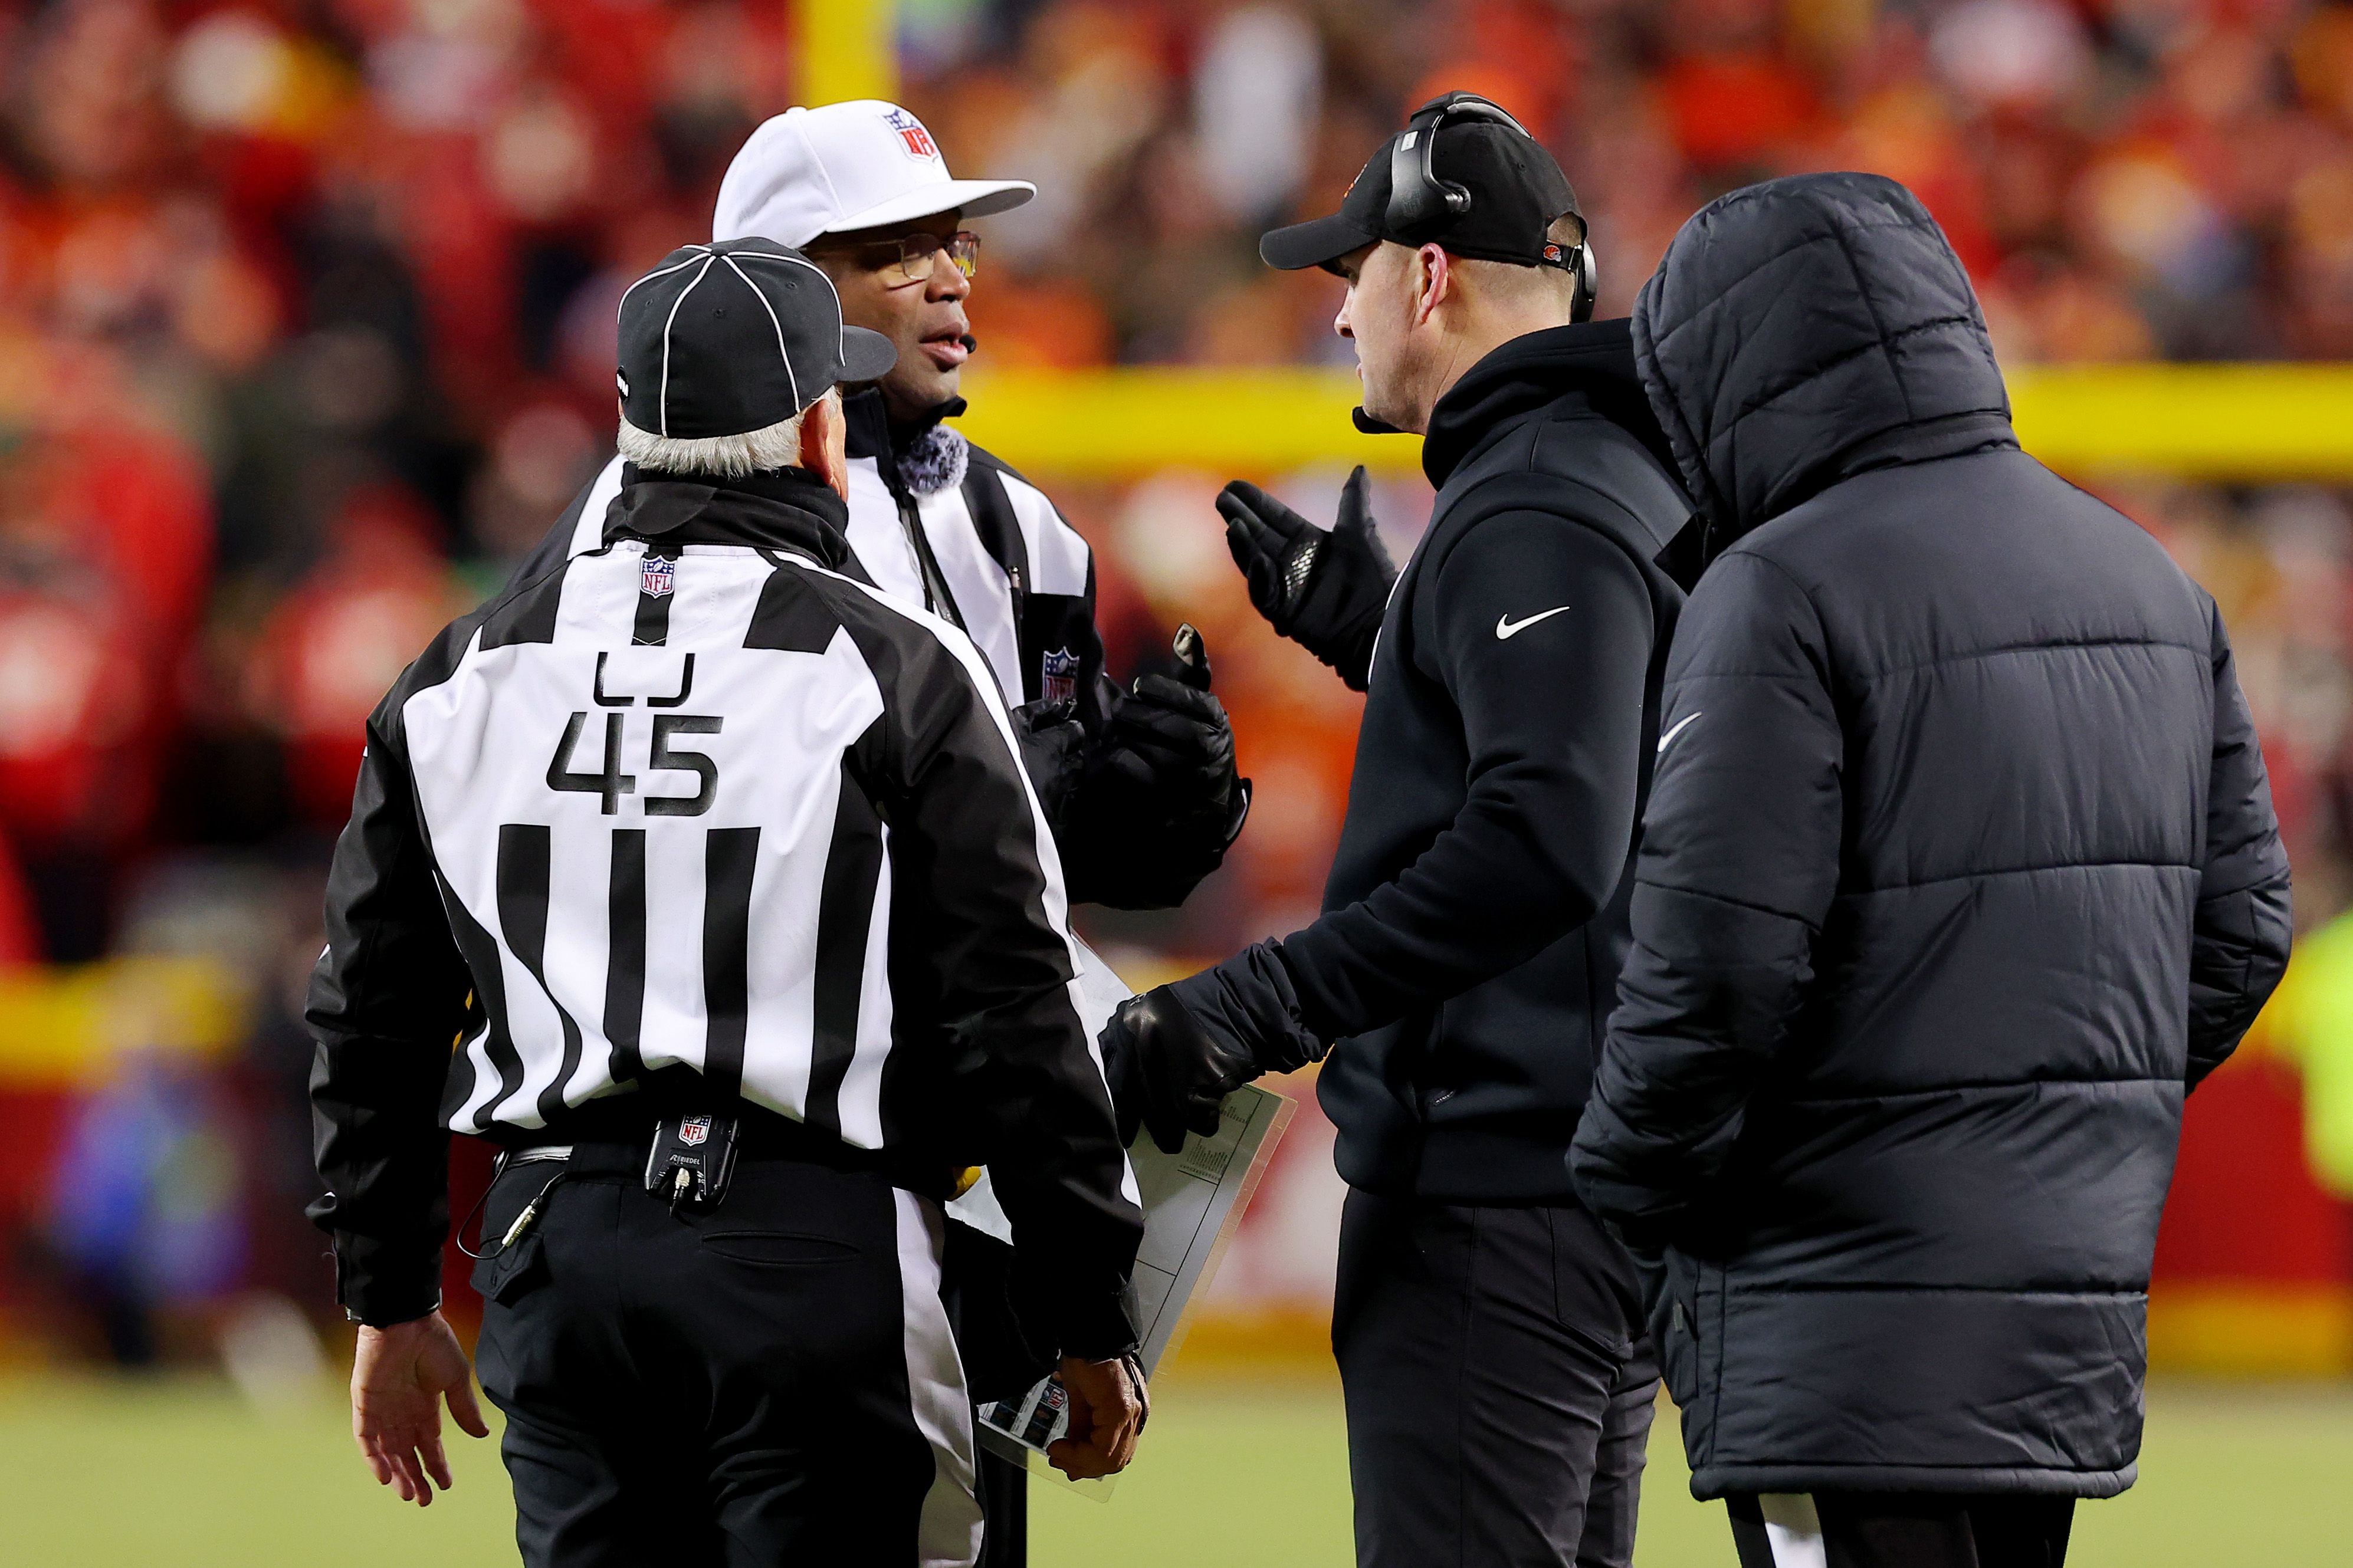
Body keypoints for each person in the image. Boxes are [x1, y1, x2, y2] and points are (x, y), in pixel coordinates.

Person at [307, 239, 1146, 1567]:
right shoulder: (892, 666)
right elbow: (1015, 1015)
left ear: (632, 431)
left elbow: (371, 1013)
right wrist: (1087, 1312)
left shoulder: (463, 668)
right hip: (815, 1245)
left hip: (556, 1252)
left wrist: (389, 1293)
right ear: (821, 430)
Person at [1568, 172, 2295, 1568]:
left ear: (1726, 370)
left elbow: (1714, 966)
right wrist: (2046, 1126)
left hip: (1834, 1314)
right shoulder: (2148, 579)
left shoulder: (1777, 584)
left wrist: (1626, 1177)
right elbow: (2241, 934)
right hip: (2054, 1310)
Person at [1105, 94, 1698, 1568]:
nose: (1339, 321)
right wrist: (1392, 640)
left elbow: (1553, 833)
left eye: (1350, 278)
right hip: (1596, 1176)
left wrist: (1260, 1001)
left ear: (1427, 275)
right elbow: (1616, 769)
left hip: (1497, 1205)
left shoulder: (1533, 503)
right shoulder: (1628, 477)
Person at [515, 101, 1246, 912]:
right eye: (900, 254)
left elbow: (1068, 872)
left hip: (980, 1022)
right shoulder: (635, 520)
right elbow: (613, 843)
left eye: (953, 243)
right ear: (784, 289)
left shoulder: (1021, 525)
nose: (953, 280)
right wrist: (973, 807)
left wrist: (1167, 812)